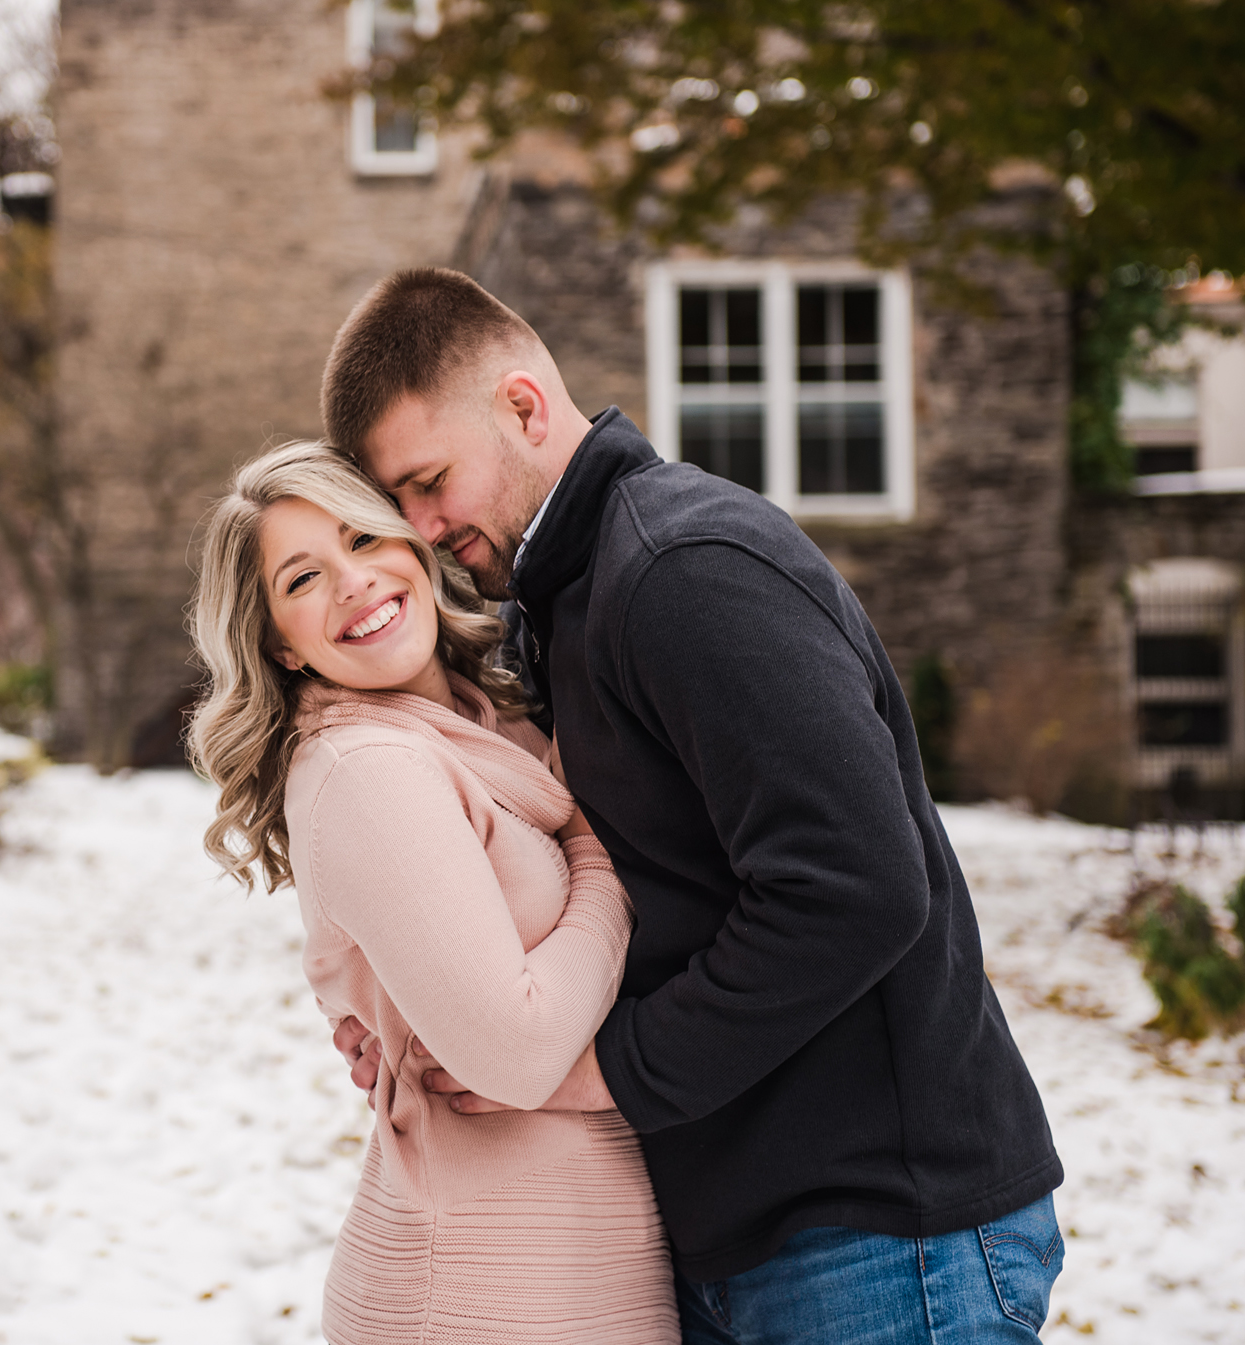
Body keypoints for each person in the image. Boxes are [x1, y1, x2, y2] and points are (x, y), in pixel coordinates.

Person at [316, 268, 1065, 1344]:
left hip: (878, 1237)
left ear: (522, 406)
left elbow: (852, 890)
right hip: (736, 1233)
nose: (422, 527)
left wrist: (601, 1070)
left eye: (428, 481)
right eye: (396, 503)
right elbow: (635, 881)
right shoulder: (562, 600)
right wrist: (419, 1010)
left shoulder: (681, 568)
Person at [186, 440, 680, 1343]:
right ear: (279, 647)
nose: (355, 583)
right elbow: (520, 1053)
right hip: (474, 1293)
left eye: (363, 539)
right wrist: (601, 857)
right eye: (302, 580)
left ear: (411, 545)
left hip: (576, 1271)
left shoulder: (489, 724)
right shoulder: (364, 767)